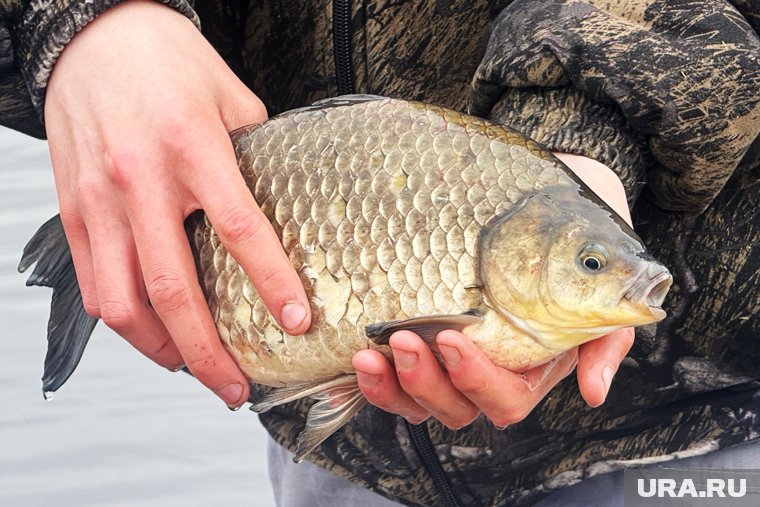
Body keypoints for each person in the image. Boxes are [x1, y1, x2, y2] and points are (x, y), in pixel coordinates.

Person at [1, 0, 758, 505]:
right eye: (592, 263)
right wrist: (86, 21)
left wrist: (586, 137)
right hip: (342, 468)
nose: (614, 277)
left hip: (694, 433)